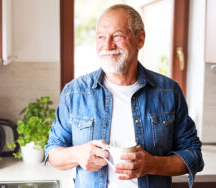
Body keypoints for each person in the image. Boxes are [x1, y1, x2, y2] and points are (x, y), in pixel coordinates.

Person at [45, 4, 204, 188]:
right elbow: (52, 153)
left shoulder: (169, 91)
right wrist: (77, 155)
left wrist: (152, 164)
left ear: (140, 39)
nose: (107, 45)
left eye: (117, 36)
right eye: (101, 37)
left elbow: (193, 155)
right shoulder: (74, 92)